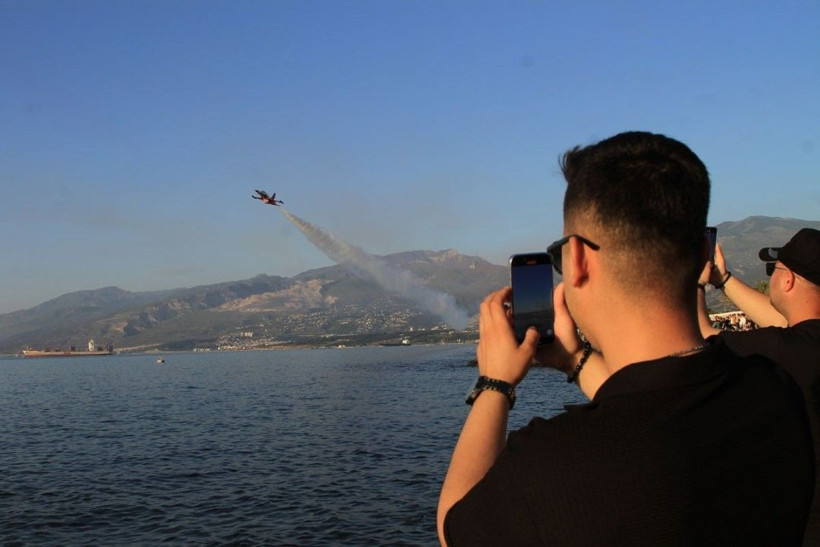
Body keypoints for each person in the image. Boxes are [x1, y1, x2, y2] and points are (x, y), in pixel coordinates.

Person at [437, 132, 813, 545]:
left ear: (577, 260)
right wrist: (574, 358)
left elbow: (456, 528)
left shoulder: (554, 465)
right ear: (704, 257)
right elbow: (657, 406)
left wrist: (495, 385)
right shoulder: (775, 391)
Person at [697, 227, 820, 545]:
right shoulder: (803, 344)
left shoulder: (789, 350)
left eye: (773, 269)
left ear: (788, 280)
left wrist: (695, 279)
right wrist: (723, 279)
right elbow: (785, 324)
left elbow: (702, 336)